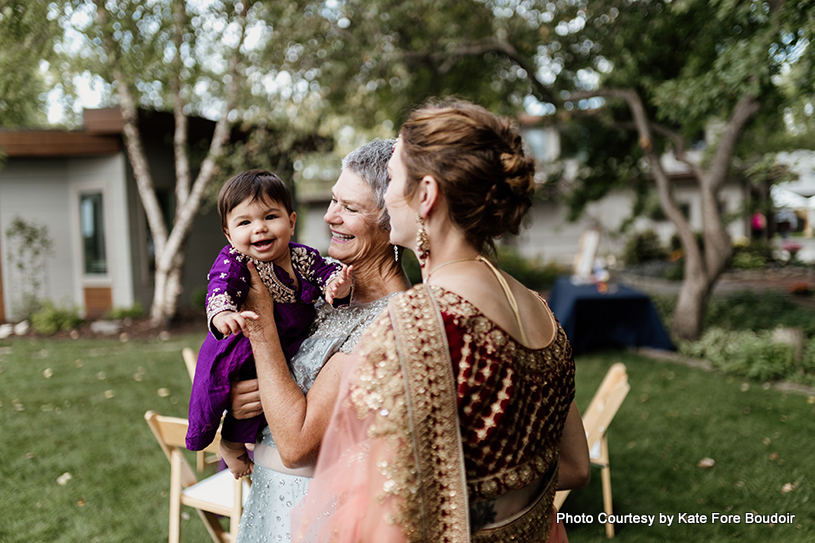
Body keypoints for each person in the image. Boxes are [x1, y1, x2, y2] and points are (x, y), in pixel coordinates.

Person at [290, 99, 590, 543]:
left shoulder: (412, 328)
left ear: (426, 195)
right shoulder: (537, 308)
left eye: (392, 179)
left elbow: (390, 520)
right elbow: (576, 468)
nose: (388, 197)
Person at [230, 139, 412, 542]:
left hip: (323, 519)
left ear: (391, 221)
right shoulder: (326, 291)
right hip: (271, 503)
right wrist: (240, 400)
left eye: (349, 208)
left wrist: (260, 327)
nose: (330, 216)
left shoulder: (389, 320)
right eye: (333, 201)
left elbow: (296, 444)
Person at [186, 169, 353, 478]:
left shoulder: (301, 256)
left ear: (291, 221)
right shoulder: (235, 261)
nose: (259, 229)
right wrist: (224, 314)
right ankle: (215, 439)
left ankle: (235, 442)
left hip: (283, 343)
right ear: (229, 234)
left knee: (262, 401)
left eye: (270, 217)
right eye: (245, 222)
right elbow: (220, 285)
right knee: (215, 388)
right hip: (238, 338)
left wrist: (335, 285)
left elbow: (324, 272)